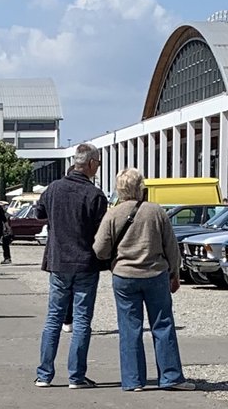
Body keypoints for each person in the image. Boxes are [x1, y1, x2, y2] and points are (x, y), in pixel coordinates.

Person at [95, 171, 187, 390]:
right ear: (141, 188)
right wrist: (175, 273)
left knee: (129, 328)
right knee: (163, 324)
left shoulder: (113, 214)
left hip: (124, 276)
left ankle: (133, 380)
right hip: (155, 274)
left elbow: (99, 249)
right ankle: (170, 376)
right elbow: (171, 247)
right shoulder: (156, 211)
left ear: (119, 189)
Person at [33, 146, 108, 387]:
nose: (97, 167)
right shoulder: (95, 195)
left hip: (58, 261)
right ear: (91, 163)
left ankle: (44, 374)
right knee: (82, 320)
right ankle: (76, 376)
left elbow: (38, 213)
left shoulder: (54, 188)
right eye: (97, 163)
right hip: (85, 262)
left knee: (54, 318)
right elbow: (102, 232)